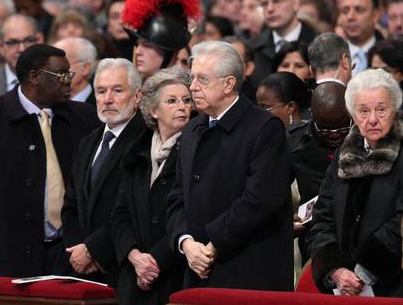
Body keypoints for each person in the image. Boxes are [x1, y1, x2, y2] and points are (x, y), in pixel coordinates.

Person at [0, 44, 100, 277]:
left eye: (69, 74)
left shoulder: (85, 117)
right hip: (6, 256)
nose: (68, 80)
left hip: (71, 256)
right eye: (61, 74)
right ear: (35, 77)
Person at [167, 41, 293, 291]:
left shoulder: (264, 128)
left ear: (228, 84)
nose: (193, 87)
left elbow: (260, 200)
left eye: (202, 79)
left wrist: (212, 243)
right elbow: (177, 196)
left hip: (249, 274)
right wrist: (187, 243)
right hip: (198, 271)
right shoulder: (193, 129)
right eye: (192, 78)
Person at [310, 68, 403, 297]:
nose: (372, 119)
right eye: (363, 111)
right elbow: (323, 217)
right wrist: (335, 270)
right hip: (345, 287)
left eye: (381, 109)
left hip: (393, 285)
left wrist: (364, 270)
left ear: (395, 110)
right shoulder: (345, 153)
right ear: (352, 114)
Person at [61, 58, 145, 286]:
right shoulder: (87, 142)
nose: (107, 99)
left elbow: (134, 209)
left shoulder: (146, 140)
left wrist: (94, 250)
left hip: (123, 268)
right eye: (101, 91)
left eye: (117, 90)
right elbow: (71, 205)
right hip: (82, 269)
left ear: (137, 97)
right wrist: (78, 250)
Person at [111, 67, 191, 304]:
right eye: (172, 101)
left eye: (187, 100)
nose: (182, 106)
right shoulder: (137, 153)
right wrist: (134, 256)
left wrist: (154, 262)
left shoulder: (195, 151)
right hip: (133, 275)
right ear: (153, 110)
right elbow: (119, 215)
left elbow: (192, 214)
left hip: (174, 273)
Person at [288, 82, 350, 264]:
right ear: (312, 116)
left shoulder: (366, 138)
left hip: (356, 235)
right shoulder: (293, 142)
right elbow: (270, 190)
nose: (334, 135)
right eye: (325, 129)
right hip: (314, 237)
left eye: (342, 128)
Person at [250, 0, 317, 93]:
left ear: (295, 3)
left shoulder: (318, 44)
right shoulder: (252, 48)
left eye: (277, 1)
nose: (270, 9)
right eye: (265, 3)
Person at [122, 0, 200, 78]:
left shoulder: (179, 92)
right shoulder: (136, 88)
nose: (137, 52)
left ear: (170, 52)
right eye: (138, 44)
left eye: (147, 45)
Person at [0, 14, 44, 97]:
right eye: (13, 42)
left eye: (29, 40)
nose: (22, 49)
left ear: (39, 41)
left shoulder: (53, 81)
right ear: (0, 47)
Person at [340, 0, 381, 75]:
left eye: (359, 10)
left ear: (376, 15)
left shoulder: (390, 55)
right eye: (345, 11)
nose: (350, 17)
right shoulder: (331, 56)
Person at [54, 37, 97, 106]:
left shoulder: (100, 105)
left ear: (85, 68)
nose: (54, 72)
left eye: (62, 64)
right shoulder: (47, 105)